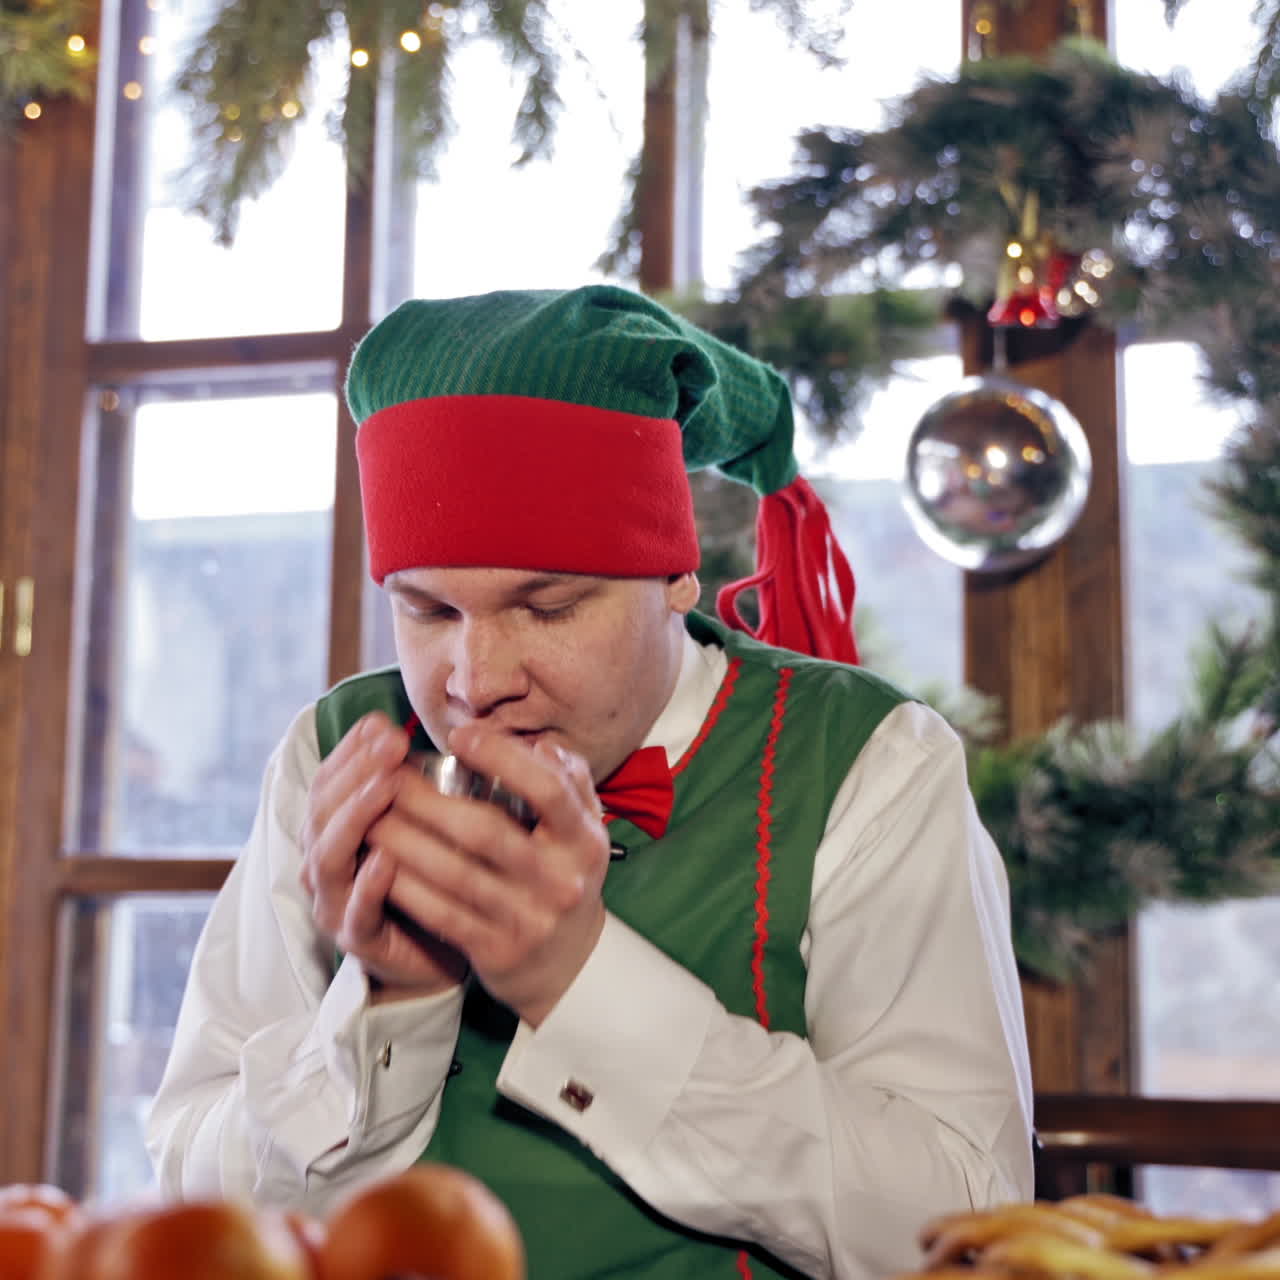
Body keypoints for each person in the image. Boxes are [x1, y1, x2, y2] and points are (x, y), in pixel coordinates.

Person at [146, 285, 1035, 1279]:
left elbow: (965, 1230)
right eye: (429, 610)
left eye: (550, 605)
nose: (476, 682)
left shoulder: (866, 761)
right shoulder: (337, 753)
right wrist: (388, 1005)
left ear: (675, 578)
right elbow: (199, 1204)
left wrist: (576, 979)